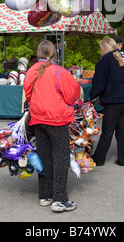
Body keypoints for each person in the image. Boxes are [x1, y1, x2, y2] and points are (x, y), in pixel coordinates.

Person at [24, 40, 80, 213]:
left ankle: (45, 195)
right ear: (55, 54)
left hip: (38, 118)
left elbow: (27, 93)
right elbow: (72, 95)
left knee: (44, 157)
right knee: (61, 158)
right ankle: (60, 198)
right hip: (57, 119)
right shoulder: (60, 72)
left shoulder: (31, 71)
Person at [89, 37, 124, 167]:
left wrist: (92, 95)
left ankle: (98, 158)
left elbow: (99, 83)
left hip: (114, 99)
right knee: (122, 129)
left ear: (104, 47)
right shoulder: (118, 58)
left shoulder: (104, 61)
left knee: (107, 130)